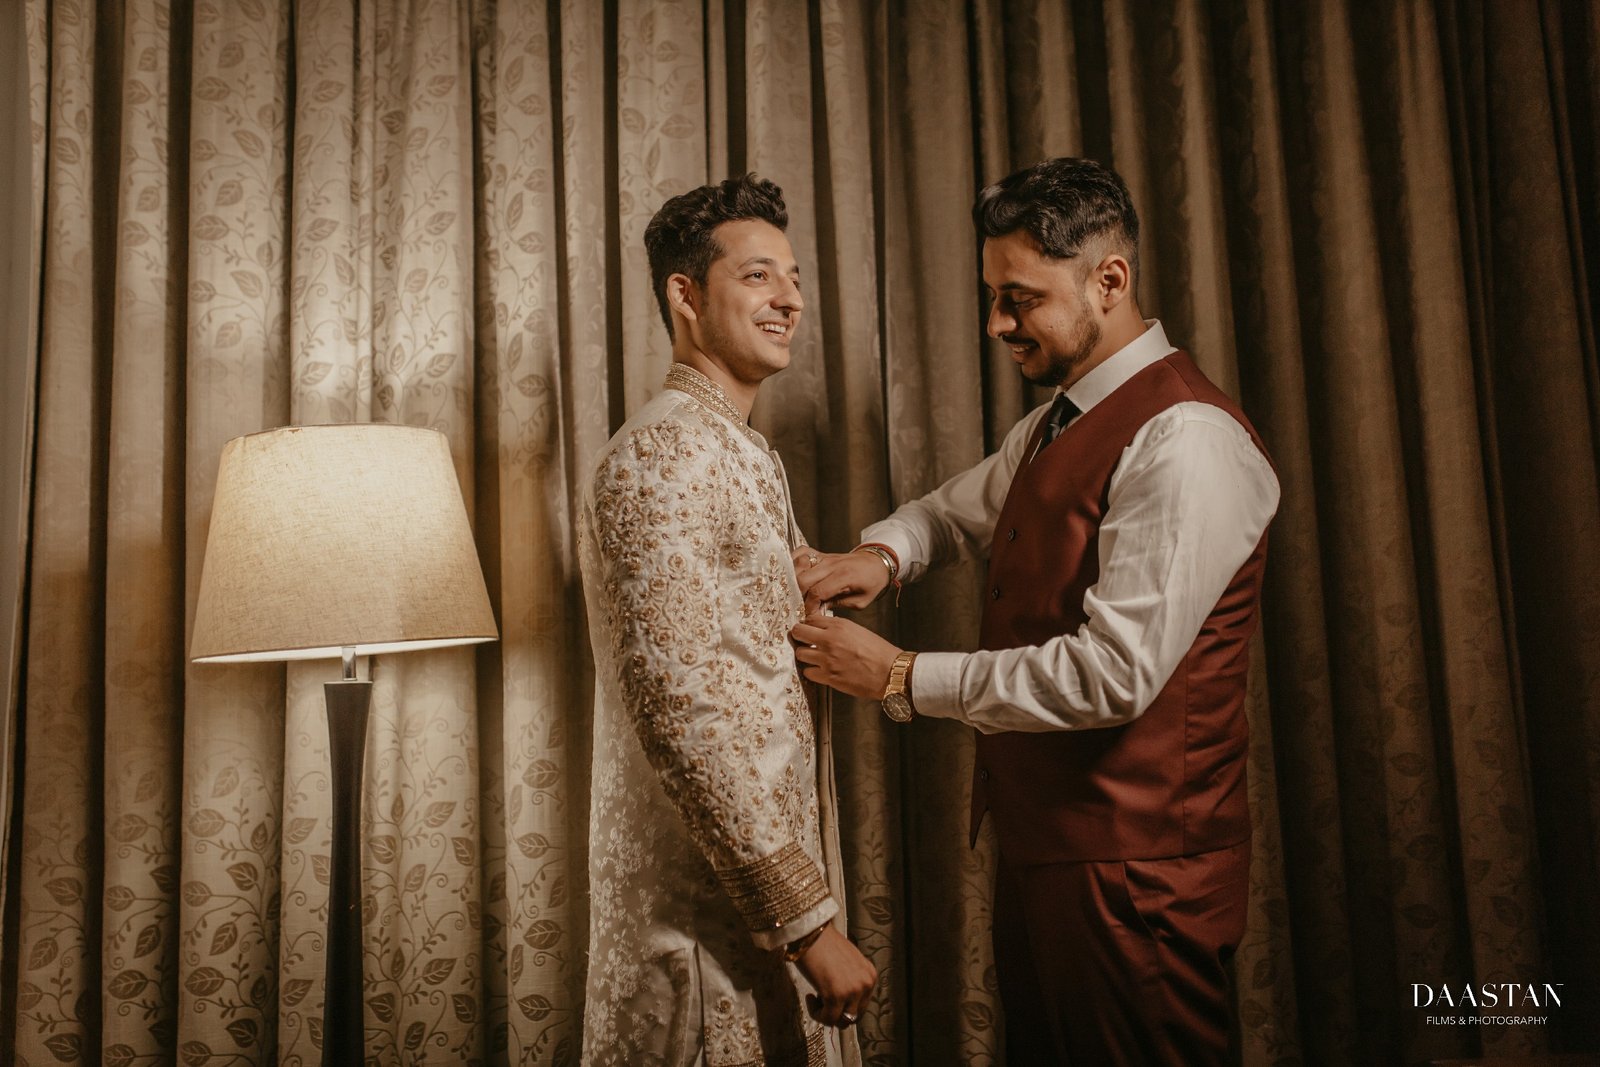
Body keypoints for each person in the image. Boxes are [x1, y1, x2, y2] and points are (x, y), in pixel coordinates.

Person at [791, 157, 1280, 1065]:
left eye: (1019, 299)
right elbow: (953, 511)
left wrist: (900, 676)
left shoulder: (1186, 439)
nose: (996, 324)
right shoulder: (1059, 419)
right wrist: (877, 554)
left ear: (1111, 280)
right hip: (1058, 854)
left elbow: (1114, 672)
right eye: (993, 297)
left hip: (1141, 876)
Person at [577, 174, 876, 1066]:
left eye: (792, 277)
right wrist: (809, 922)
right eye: (757, 277)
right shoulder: (662, 456)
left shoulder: (739, 451)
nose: (788, 297)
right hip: (704, 930)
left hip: (761, 919)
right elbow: (681, 714)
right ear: (686, 296)